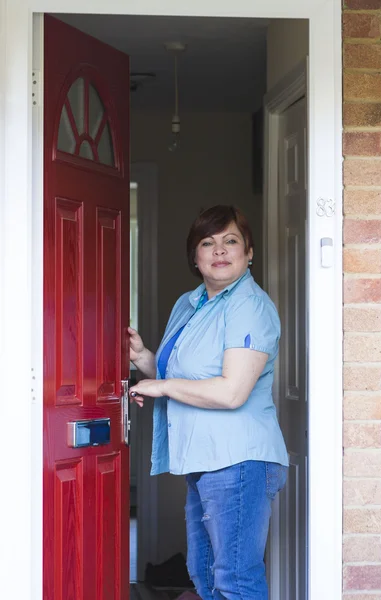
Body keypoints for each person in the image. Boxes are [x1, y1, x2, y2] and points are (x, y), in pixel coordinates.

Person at [128, 205, 288, 600]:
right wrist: (142, 357)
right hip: (203, 459)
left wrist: (162, 388)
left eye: (231, 241)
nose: (220, 250)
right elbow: (182, 375)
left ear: (249, 252)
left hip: (239, 460)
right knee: (204, 576)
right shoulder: (190, 303)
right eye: (208, 243)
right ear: (195, 258)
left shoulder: (248, 305)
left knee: (235, 578)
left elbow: (232, 392)